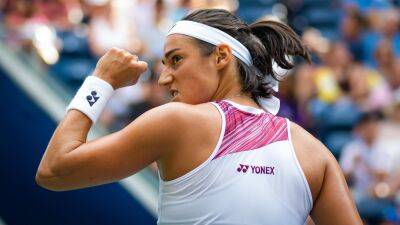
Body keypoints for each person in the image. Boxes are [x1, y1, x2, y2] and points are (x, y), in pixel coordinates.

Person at [36, 9, 362, 225]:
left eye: (175, 60)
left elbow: (54, 170)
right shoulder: (315, 152)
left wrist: (101, 80)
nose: (164, 79)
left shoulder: (177, 121)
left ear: (221, 56)